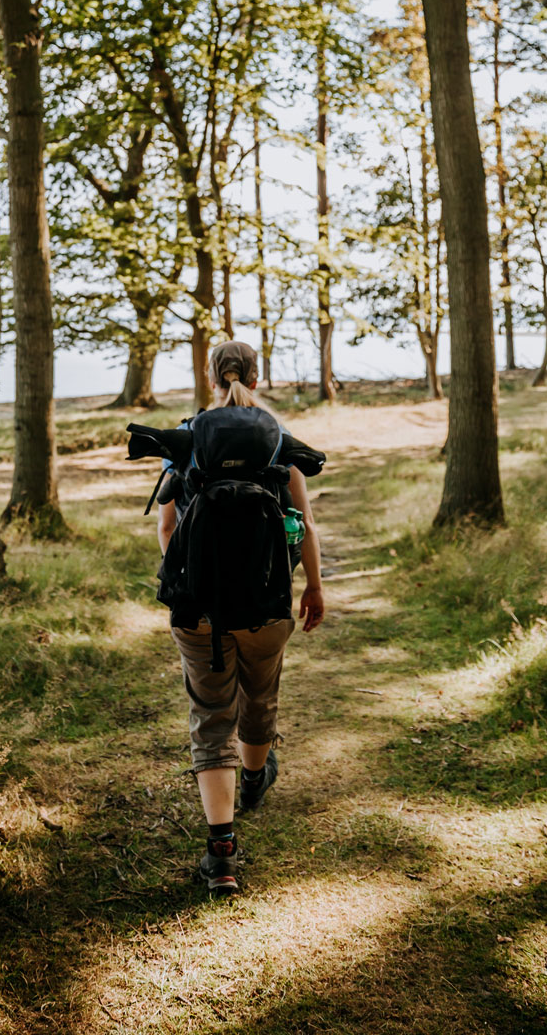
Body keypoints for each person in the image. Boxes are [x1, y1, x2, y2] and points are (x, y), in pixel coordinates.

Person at [157, 339, 325, 897]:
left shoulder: (188, 437)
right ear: (258, 374)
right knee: (260, 697)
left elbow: (166, 528)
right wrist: (315, 589)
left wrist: (181, 579)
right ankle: (254, 779)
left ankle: (221, 854)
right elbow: (302, 523)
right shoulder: (277, 437)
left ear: (211, 379)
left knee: (211, 717)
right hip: (267, 604)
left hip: (198, 609)